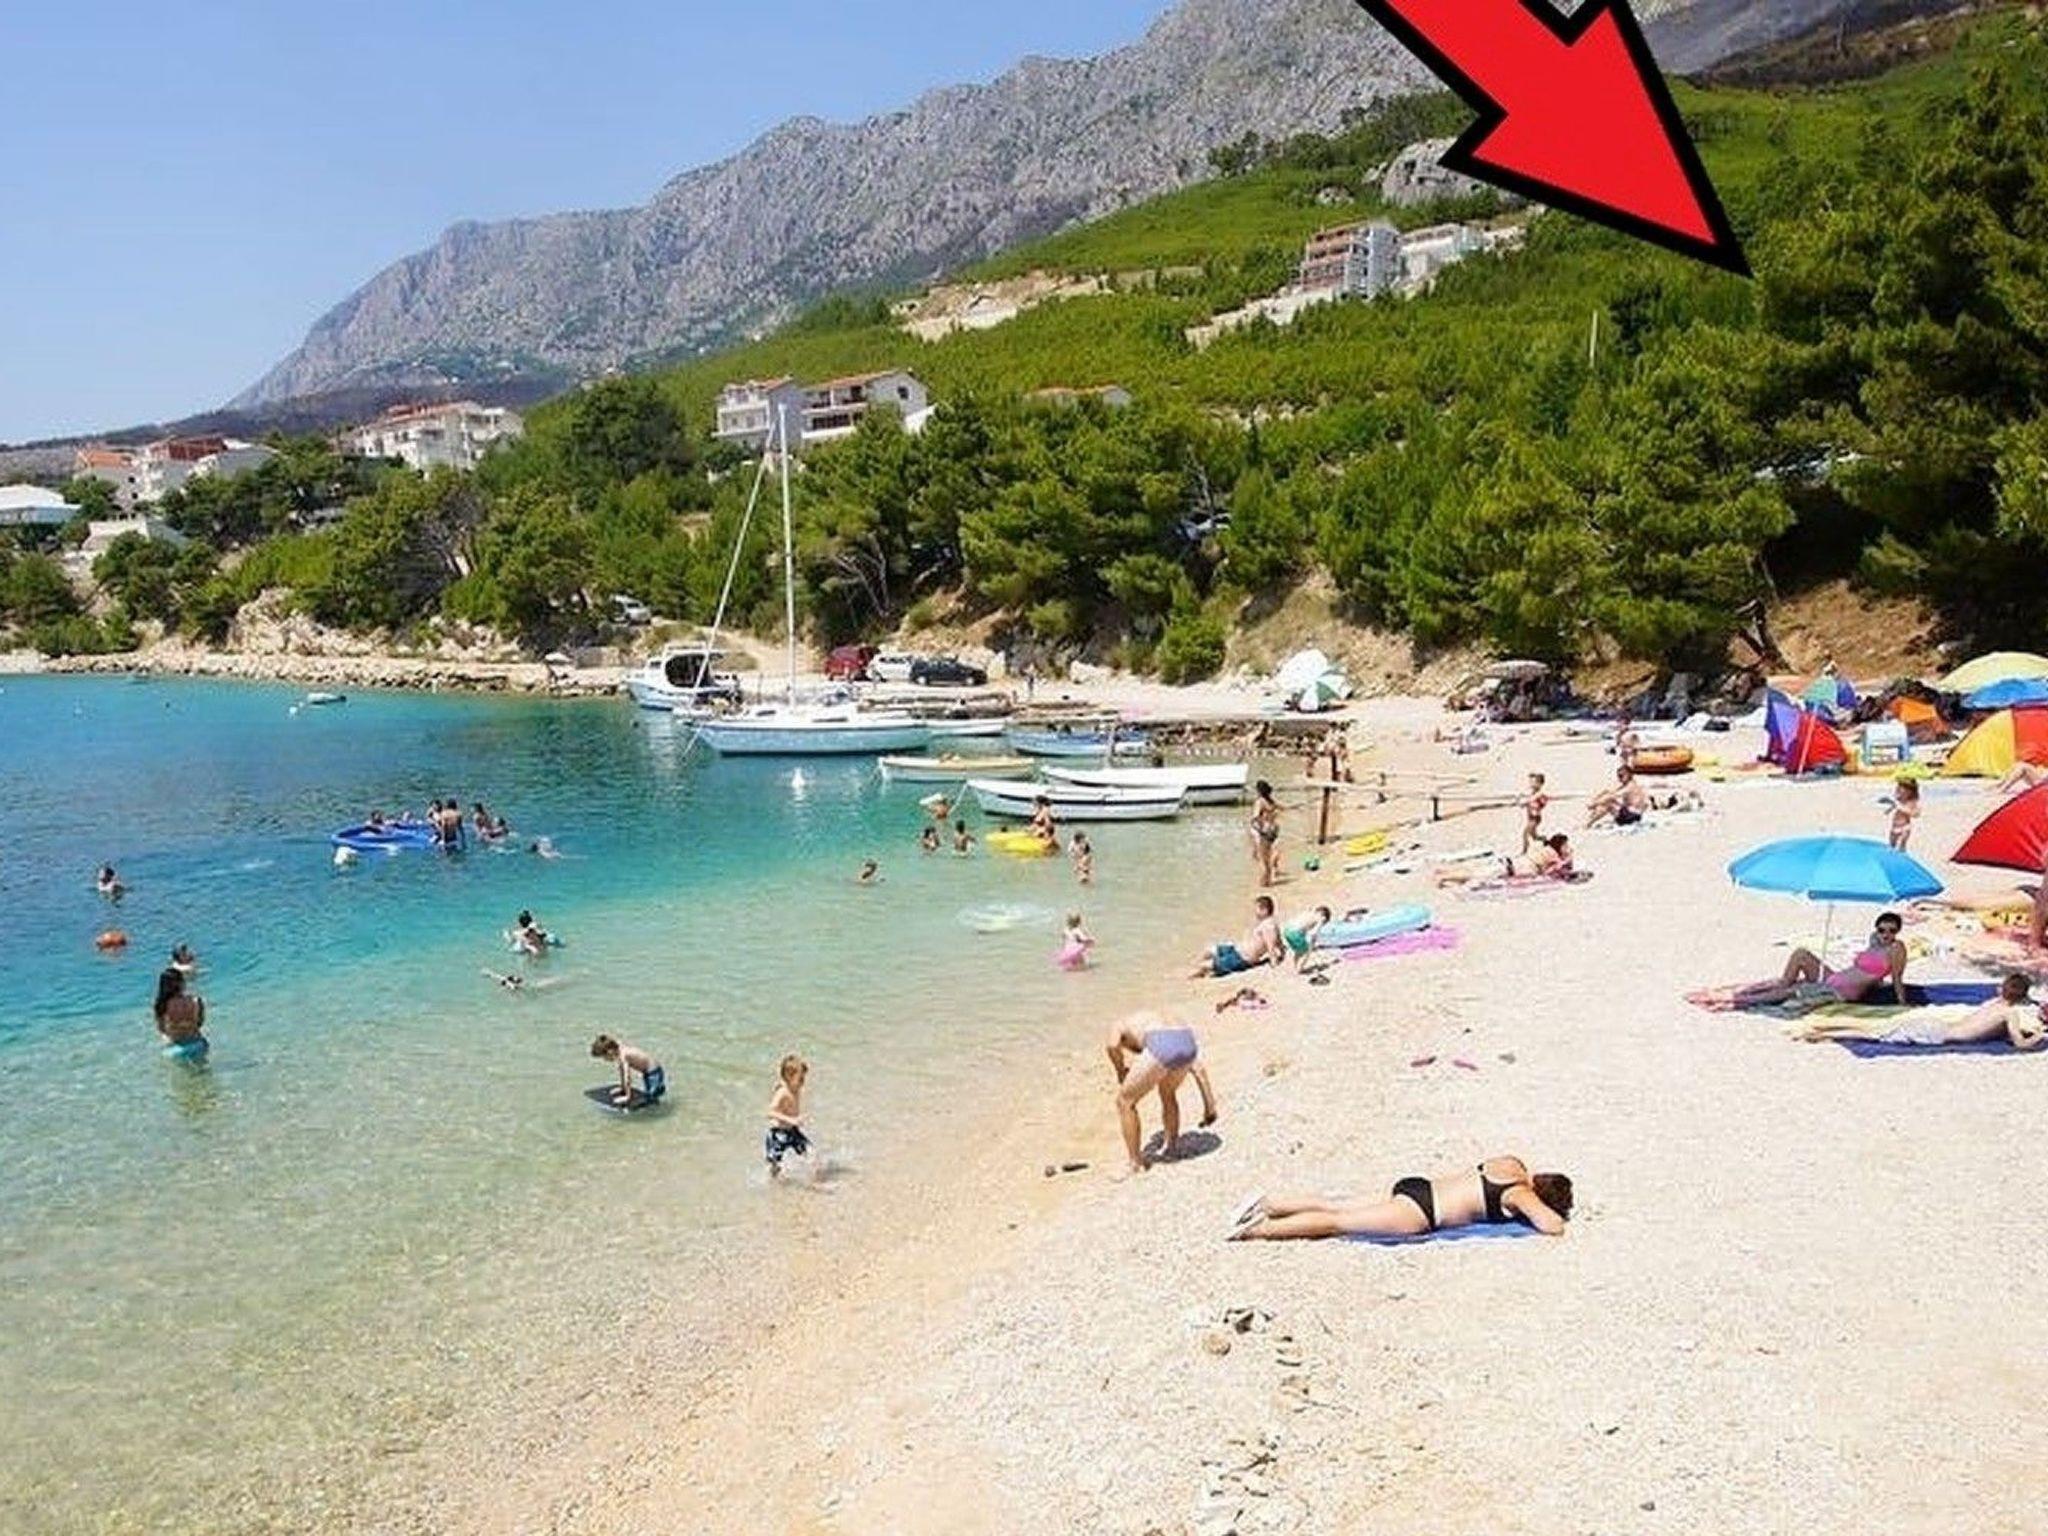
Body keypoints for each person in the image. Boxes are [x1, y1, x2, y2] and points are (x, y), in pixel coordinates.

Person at [1229, 1156, 1573, 1241]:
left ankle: (1269, 1203)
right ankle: (1257, 1230)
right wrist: (1545, 1209)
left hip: (1415, 1186)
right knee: (1337, 1223)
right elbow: (1552, 1226)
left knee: (1337, 1204)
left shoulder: (1511, 1165)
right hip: (1423, 1212)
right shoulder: (1519, 1195)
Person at [1792, 972, 2046, 1051]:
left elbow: (2016, 998)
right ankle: (1823, 1033)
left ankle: (1823, 1030)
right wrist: (2038, 1037)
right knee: (1874, 1034)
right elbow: (2020, 1043)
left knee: (1875, 1029)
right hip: (1938, 1034)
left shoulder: (1994, 1003)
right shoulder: (2010, 1013)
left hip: (1937, 1026)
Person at [1106, 1013, 1218, 1175]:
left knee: (1124, 1102)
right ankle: (1171, 1147)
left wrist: (1120, 1070)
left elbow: (1111, 1045)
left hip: (1161, 1043)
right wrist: (1209, 1106)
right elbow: (1199, 1069)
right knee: (1168, 1093)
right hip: (1187, 1041)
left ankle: (1135, 1163)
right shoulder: (1152, 1019)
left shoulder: (1118, 1023)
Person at [1731, 913, 1909, 1007]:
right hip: (1834, 978)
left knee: (1793, 991)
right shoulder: (1875, 942)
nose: (1886, 934)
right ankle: (1782, 984)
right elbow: (1873, 972)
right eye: (1882, 930)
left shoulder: (1896, 949)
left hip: (1842, 992)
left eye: (1892, 930)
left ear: (1898, 931)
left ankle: (1743, 1000)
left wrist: (1902, 1002)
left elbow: (1896, 977)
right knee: (1801, 953)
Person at [1193, 896, 1284, 977]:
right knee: (1209, 949)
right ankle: (1197, 971)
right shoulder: (1267, 923)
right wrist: (1282, 950)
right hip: (1236, 950)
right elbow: (1279, 941)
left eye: (1257, 910)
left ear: (1264, 910)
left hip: (1241, 959)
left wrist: (1274, 962)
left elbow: (1271, 945)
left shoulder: (1268, 926)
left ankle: (1193, 976)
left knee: (1205, 965)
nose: (1255, 913)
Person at [1436, 835, 1575, 888]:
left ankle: (1447, 873)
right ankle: (1444, 877)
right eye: (1565, 845)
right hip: (1509, 868)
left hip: (1508, 863)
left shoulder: (1542, 848)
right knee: (1476, 876)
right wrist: (1569, 856)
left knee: (1476, 872)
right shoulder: (1552, 854)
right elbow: (1562, 869)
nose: (1567, 848)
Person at [765, 1054, 811, 1177]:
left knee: (810, 1153)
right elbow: (770, 1112)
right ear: (789, 1077)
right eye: (800, 1079)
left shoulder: (794, 1088)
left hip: (792, 1131)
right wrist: (791, 1120)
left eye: (804, 1078)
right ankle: (774, 1186)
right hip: (777, 1134)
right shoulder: (783, 1093)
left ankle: (814, 1179)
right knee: (775, 1166)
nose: (803, 1083)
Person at [591, 1035, 666, 1108]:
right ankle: (658, 1090)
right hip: (648, 1072)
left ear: (610, 1052)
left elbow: (627, 1077)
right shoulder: (619, 1049)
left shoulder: (623, 1055)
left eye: (604, 1057)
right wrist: (623, 1088)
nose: (605, 1060)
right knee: (649, 1094)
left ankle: (659, 1096)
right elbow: (622, 1071)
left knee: (651, 1098)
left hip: (654, 1073)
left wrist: (627, 1096)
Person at [153, 966, 207, 1051]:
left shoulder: (162, 1004)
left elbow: (162, 1029)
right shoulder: (196, 1000)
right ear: (182, 982)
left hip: (176, 1047)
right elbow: (200, 1023)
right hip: (198, 1043)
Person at [1584, 765, 1649, 829]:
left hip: (1632, 816)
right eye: (1618, 776)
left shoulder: (1631, 786)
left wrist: (1594, 804)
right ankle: (1589, 820)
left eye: (1621, 776)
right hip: (1630, 813)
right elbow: (1609, 791)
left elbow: (1613, 796)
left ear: (1629, 775)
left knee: (1608, 803)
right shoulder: (1629, 784)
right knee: (1606, 799)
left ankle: (1588, 823)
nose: (1619, 779)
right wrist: (1595, 799)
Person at [1249, 781, 1281, 888]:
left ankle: (1265, 882)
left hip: (1266, 832)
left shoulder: (1262, 802)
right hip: (1268, 831)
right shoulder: (1268, 801)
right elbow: (1256, 818)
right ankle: (1266, 881)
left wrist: (1261, 829)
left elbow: (1255, 818)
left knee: (1264, 858)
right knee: (1266, 857)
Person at [1281, 906, 1332, 971]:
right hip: (1295, 933)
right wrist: (1312, 943)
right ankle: (1300, 969)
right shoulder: (1320, 919)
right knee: (1307, 951)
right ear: (1324, 917)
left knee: (1298, 950)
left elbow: (1303, 927)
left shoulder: (1309, 913)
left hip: (1287, 930)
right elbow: (1313, 933)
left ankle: (1294, 966)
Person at [1886, 777, 1922, 851]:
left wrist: (1900, 808)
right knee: (1891, 846)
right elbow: (1895, 807)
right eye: (1898, 789)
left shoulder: (1911, 802)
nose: (1898, 791)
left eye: (1901, 789)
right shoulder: (1900, 800)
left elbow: (1916, 814)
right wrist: (1890, 808)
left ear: (1910, 792)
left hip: (1904, 827)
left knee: (1900, 847)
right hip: (1894, 827)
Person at [1520, 773, 1549, 854]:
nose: (1532, 784)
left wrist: (1527, 802)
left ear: (1540, 784)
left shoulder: (1539, 794)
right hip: (1530, 817)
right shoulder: (1533, 793)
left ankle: (1524, 851)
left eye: (1535, 782)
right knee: (1534, 836)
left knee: (1525, 834)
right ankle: (1546, 843)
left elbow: (1537, 801)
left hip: (1535, 818)